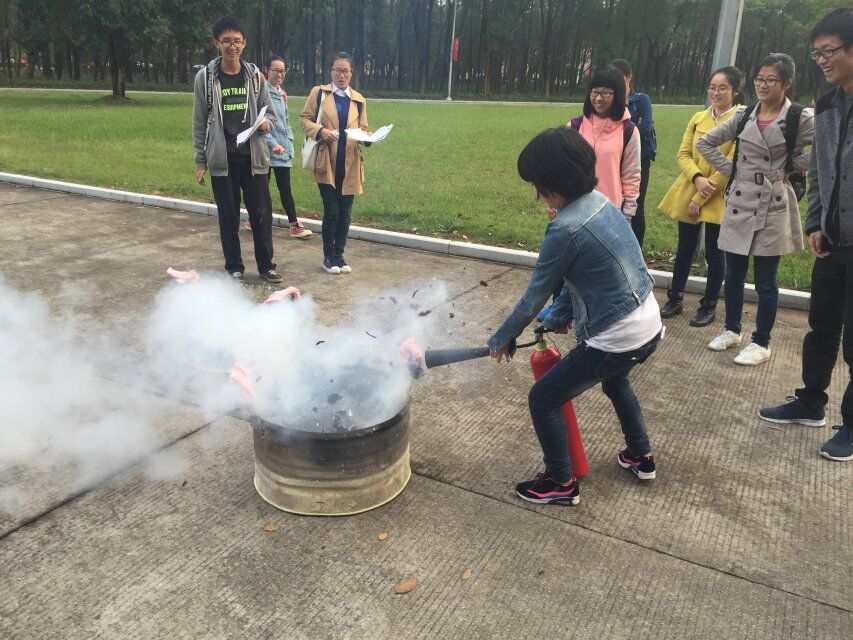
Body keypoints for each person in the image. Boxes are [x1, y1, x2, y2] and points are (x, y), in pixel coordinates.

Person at [489, 126, 662, 506]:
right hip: (649, 321)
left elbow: (534, 296)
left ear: (552, 181)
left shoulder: (564, 229)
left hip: (618, 336)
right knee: (615, 382)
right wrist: (558, 315)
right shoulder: (601, 202)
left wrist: (501, 338)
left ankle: (560, 481)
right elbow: (578, 277)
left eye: (535, 183)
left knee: (543, 398)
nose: (535, 193)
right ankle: (641, 455)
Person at [759, 8, 853, 462]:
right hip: (833, 239)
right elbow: (818, 168)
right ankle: (811, 401)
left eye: (829, 51)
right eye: (816, 53)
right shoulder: (829, 103)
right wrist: (815, 223)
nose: (822, 60)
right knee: (821, 327)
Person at [697, 53, 814, 365]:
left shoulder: (798, 117)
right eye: (759, 79)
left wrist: (792, 166)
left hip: (773, 203)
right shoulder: (745, 114)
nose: (762, 85)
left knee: (766, 280)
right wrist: (734, 171)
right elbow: (704, 143)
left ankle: (762, 342)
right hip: (740, 199)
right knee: (733, 274)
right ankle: (732, 329)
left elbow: (828, 146)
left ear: (786, 83)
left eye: (770, 80)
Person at [191, 15, 282, 283]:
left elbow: (271, 115)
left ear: (244, 43)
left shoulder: (255, 77)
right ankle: (234, 267)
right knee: (228, 219)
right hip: (223, 160)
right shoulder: (205, 78)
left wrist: (265, 125)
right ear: (216, 43)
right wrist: (200, 161)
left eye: (237, 41)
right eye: (226, 41)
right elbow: (199, 121)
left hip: (253, 160)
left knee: (261, 216)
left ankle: (266, 266)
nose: (232, 46)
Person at [658, 66, 745, 326]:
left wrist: (701, 196)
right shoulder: (698, 118)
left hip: (720, 194)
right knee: (684, 248)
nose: (715, 93)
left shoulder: (741, 120)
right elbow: (683, 153)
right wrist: (696, 178)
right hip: (692, 186)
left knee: (714, 253)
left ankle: (709, 305)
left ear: (735, 91)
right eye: (712, 87)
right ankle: (675, 298)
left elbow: (734, 161)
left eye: (722, 88)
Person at [299, 51, 371, 275]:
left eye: (346, 71)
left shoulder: (358, 100)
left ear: (351, 73)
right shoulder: (319, 93)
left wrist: (369, 137)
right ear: (330, 71)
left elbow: (364, 129)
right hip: (326, 162)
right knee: (332, 211)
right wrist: (321, 130)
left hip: (350, 164)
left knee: (346, 213)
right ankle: (328, 256)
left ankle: (339, 254)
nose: (342, 75)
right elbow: (304, 120)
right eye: (337, 70)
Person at [250, 56, 311, 238]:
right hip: (266, 149)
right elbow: (258, 123)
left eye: (282, 71)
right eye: (275, 70)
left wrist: (289, 143)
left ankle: (290, 223)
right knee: (263, 189)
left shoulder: (282, 93)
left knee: (285, 188)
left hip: (282, 150)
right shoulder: (261, 93)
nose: (279, 74)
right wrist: (273, 143)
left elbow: (286, 121)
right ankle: (286, 224)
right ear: (266, 70)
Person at [569, 68, 642, 221]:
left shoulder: (628, 131)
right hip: (574, 208)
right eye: (594, 92)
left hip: (609, 211)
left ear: (618, 95)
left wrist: (628, 213)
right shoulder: (575, 126)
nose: (598, 98)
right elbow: (561, 167)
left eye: (605, 93)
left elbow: (631, 175)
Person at [611, 59, 656, 246]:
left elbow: (645, 126)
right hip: (615, 159)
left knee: (636, 205)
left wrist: (621, 133)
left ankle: (636, 250)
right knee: (614, 204)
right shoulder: (611, 100)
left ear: (629, 77)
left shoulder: (641, 100)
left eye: (619, 77)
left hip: (639, 159)